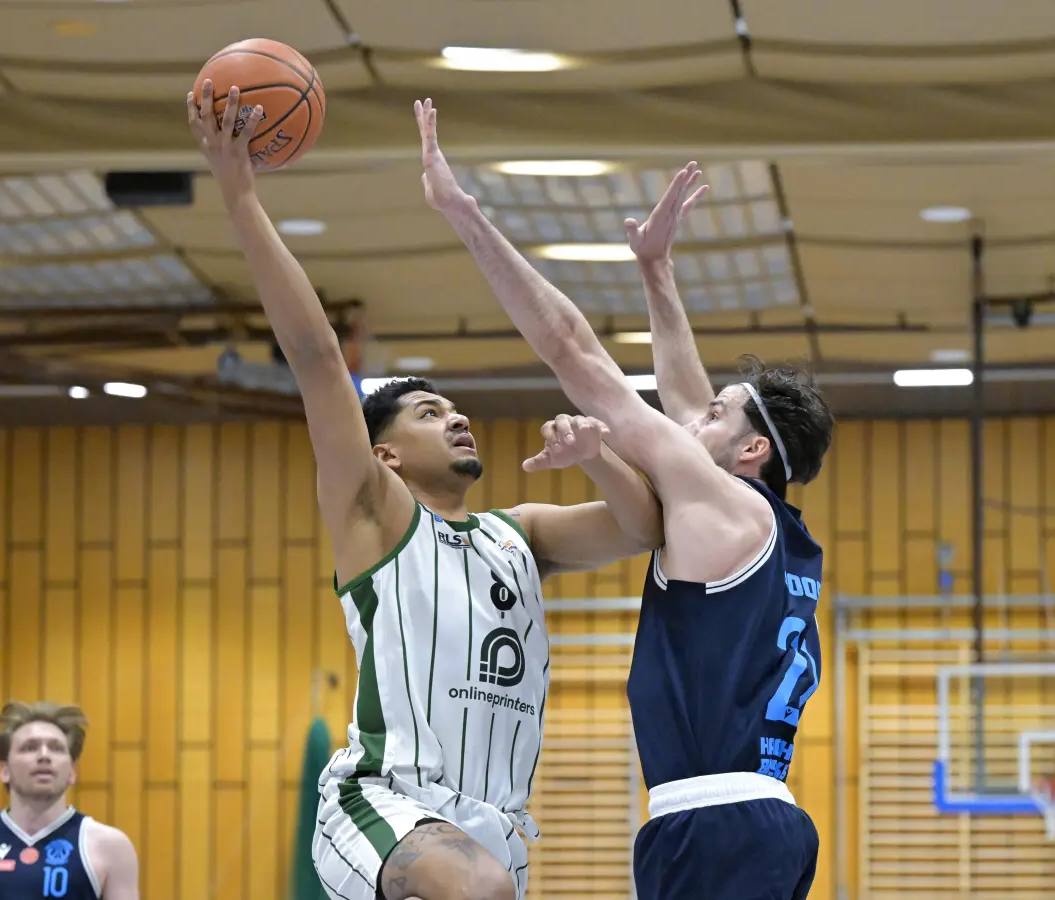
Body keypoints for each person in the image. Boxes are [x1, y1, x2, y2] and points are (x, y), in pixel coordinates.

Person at [186, 84, 666, 900]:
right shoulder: (374, 511)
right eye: (429, 412)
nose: (457, 418)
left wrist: (595, 455)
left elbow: (644, 525)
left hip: (497, 828)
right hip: (384, 803)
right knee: (473, 887)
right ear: (385, 454)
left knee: (482, 881)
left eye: (457, 408)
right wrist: (239, 196)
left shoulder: (519, 533)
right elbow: (312, 355)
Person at [413, 98, 835, 900]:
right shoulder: (767, 528)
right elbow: (684, 407)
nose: (695, 411)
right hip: (747, 819)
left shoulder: (727, 511)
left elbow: (573, 350)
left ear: (751, 451)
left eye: (720, 412)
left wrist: (465, 216)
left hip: (714, 825)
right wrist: (656, 271)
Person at [0, 701, 140, 900]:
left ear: (72, 771)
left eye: (56, 748)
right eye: (29, 747)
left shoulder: (109, 847)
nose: (44, 756)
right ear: (4, 770)